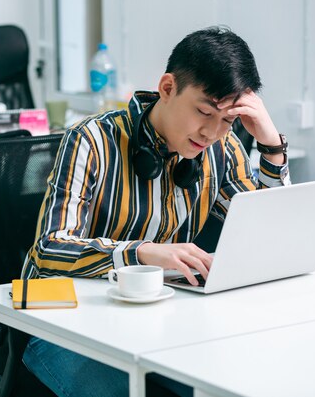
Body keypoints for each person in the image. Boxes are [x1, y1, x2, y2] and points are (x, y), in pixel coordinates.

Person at [21, 26, 290, 397]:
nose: (212, 132)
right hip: (61, 321)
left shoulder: (222, 149)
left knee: (238, 381)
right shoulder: (91, 140)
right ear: (167, 88)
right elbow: (49, 249)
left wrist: (271, 145)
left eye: (227, 120)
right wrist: (141, 253)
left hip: (153, 319)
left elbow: (267, 234)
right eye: (204, 112)